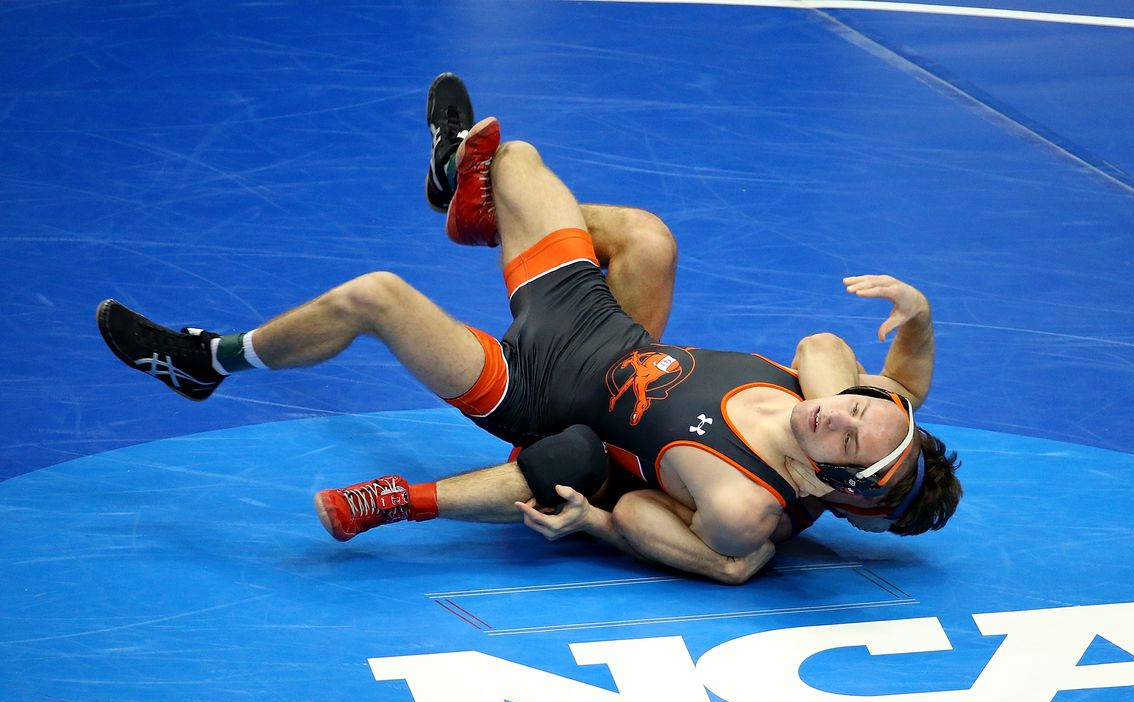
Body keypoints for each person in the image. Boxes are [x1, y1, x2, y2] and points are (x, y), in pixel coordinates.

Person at [97, 74, 961, 584]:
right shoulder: (832, 396)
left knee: (377, 297)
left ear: (835, 485)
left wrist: (605, 528)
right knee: (522, 163)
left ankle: (206, 362)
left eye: (845, 435)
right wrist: (915, 318)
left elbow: (678, 533)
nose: (834, 412)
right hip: (598, 328)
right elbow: (863, 372)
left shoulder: (742, 508)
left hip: (537, 398)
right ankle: (464, 191)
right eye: (856, 407)